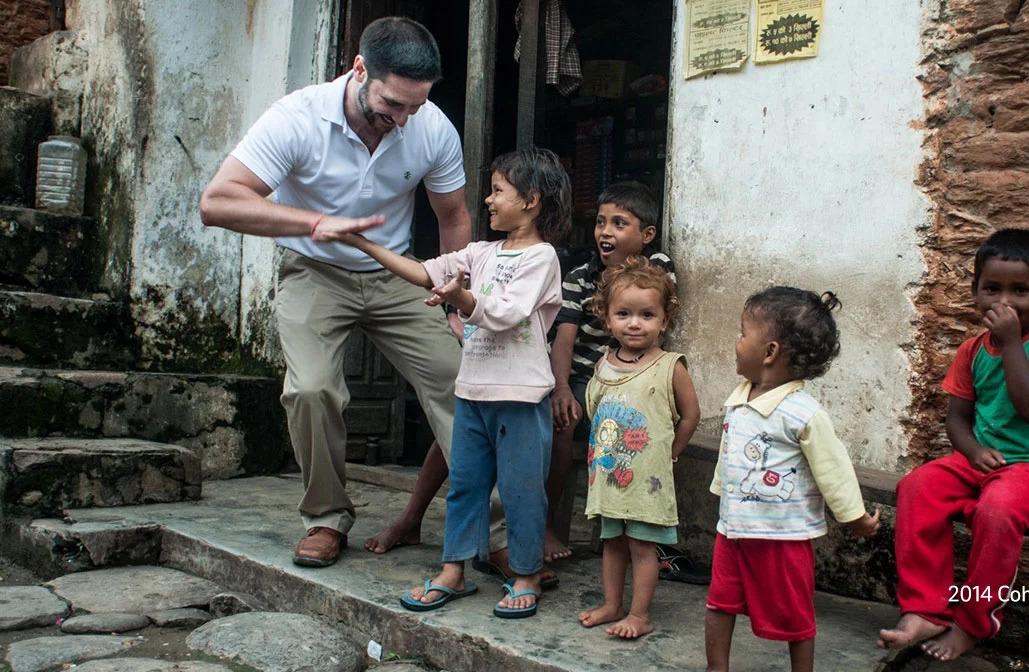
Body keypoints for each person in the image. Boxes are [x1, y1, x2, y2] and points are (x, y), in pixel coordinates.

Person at [199, 17, 469, 568]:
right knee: (312, 390)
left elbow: (454, 215)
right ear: (359, 69)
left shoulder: (431, 127)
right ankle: (325, 518)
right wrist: (313, 223)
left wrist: (458, 296)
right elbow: (218, 201)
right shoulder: (297, 118)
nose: (402, 119)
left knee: (463, 383)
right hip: (315, 269)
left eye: (414, 106)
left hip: (397, 273)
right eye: (394, 104)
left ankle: (488, 530)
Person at [342, 147, 569, 619]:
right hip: (472, 392)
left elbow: (506, 314)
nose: (487, 200)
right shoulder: (480, 253)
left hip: (521, 397)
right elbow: (424, 272)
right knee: (465, 485)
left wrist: (462, 298)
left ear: (531, 200)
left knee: (522, 488)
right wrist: (365, 245)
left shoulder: (541, 258)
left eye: (498, 191)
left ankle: (525, 574)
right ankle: (453, 570)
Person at [878, 229, 1029, 661]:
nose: (1004, 302)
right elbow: (957, 419)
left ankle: (973, 623)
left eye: (1021, 290)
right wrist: (971, 452)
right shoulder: (971, 351)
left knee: (997, 509)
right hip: (984, 460)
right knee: (917, 487)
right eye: (992, 289)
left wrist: (1010, 344)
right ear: (975, 293)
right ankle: (926, 610)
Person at [705, 288, 880, 672]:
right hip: (732, 531)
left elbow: (834, 469)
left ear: (768, 352)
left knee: (795, 617)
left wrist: (855, 517)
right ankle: (716, 667)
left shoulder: (802, 413)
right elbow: (730, 453)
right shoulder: (738, 399)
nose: (736, 342)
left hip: (782, 537)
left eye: (741, 332)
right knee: (719, 601)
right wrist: (722, 492)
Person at [547, 181, 675, 563]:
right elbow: (564, 340)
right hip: (586, 379)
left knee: (630, 433)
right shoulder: (579, 277)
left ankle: (625, 532)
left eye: (620, 224)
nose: (606, 231)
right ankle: (548, 525)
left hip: (635, 377)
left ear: (646, 235)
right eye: (601, 222)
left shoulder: (658, 269)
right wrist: (561, 389)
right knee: (562, 423)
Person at [577, 258, 700, 639]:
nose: (635, 323)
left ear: (664, 320)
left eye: (647, 314)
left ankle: (640, 614)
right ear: (607, 318)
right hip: (610, 477)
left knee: (643, 548)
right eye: (624, 314)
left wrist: (672, 453)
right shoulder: (602, 365)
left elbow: (691, 415)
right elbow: (595, 413)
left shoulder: (669, 366)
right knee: (611, 544)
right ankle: (612, 604)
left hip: (647, 480)